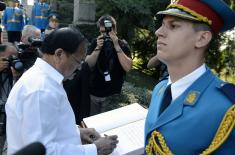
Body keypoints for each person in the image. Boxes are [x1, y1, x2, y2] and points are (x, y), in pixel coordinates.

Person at [5, 27, 118, 155]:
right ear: (59, 54)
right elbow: (42, 150)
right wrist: (95, 149)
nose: (80, 68)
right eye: (78, 61)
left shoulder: (46, 79)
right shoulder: (41, 90)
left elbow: (49, 126)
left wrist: (76, 132)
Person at [144, 0, 235, 155]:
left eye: (173, 26)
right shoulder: (161, 88)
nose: (158, 32)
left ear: (202, 39)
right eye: (162, 24)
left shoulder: (227, 109)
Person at [86, 15, 133, 115]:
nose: (105, 35)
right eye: (102, 32)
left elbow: (128, 67)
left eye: (108, 31)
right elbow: (88, 64)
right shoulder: (96, 42)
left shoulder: (122, 44)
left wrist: (116, 45)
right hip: (94, 93)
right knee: (91, 123)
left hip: (112, 96)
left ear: (115, 30)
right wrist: (98, 48)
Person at [0, 43, 19, 154]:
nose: (12, 61)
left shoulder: (15, 71)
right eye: (9, 58)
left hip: (8, 115)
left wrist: (16, 77)